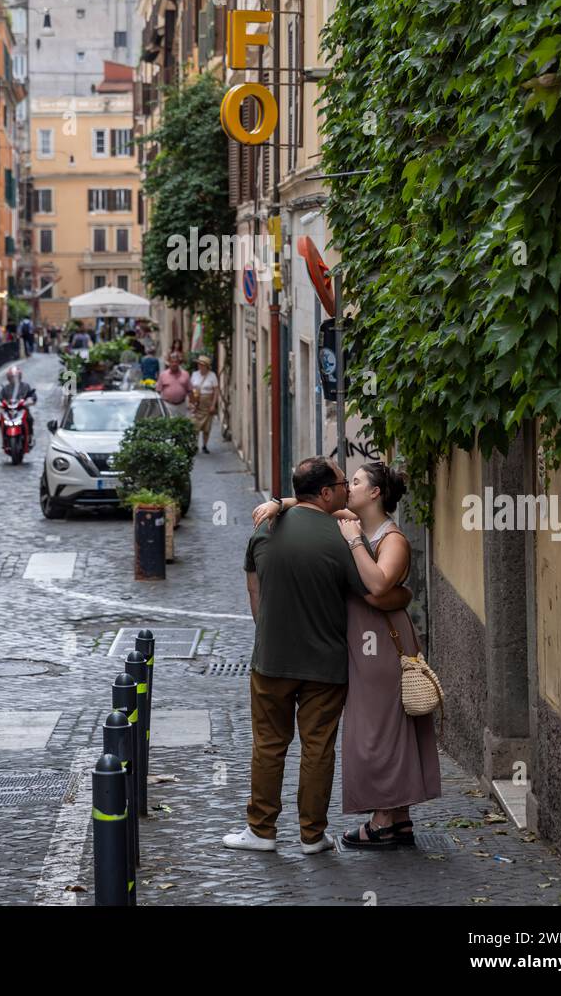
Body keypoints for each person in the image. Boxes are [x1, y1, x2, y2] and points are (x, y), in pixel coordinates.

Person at [224, 457, 411, 854]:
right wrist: (404, 596)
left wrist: (268, 635)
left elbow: (254, 593)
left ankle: (261, 830)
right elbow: (371, 592)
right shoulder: (341, 537)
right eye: (343, 483)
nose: (347, 488)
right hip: (325, 664)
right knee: (318, 748)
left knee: (268, 744)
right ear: (326, 492)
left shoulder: (264, 529)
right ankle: (312, 835)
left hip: (272, 659)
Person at [0, 364, 37, 445]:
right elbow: (0, 397)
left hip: (21, 409)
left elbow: (32, 395)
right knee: (1, 421)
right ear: (8, 378)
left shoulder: (25, 386)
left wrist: (30, 400)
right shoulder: (6, 388)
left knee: (29, 419)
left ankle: (29, 436)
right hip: (9, 410)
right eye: (12, 377)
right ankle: (4, 438)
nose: (14, 379)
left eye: (16, 377)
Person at [189, 353, 219, 452]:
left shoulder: (212, 375)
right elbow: (190, 388)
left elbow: (216, 391)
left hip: (207, 402)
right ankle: (195, 445)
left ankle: (205, 446)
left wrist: (213, 405)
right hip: (197, 403)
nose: (200, 366)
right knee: (195, 425)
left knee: (207, 426)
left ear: (206, 366)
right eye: (199, 364)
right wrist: (191, 402)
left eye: (202, 365)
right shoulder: (194, 374)